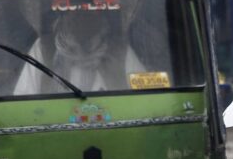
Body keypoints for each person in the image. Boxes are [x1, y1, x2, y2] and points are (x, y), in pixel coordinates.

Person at [14, 6, 146, 95]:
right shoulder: (44, 48)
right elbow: (22, 102)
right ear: (64, 15)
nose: (81, 14)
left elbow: (144, 99)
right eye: (75, 7)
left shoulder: (119, 50)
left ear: (100, 13)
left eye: (89, 7)